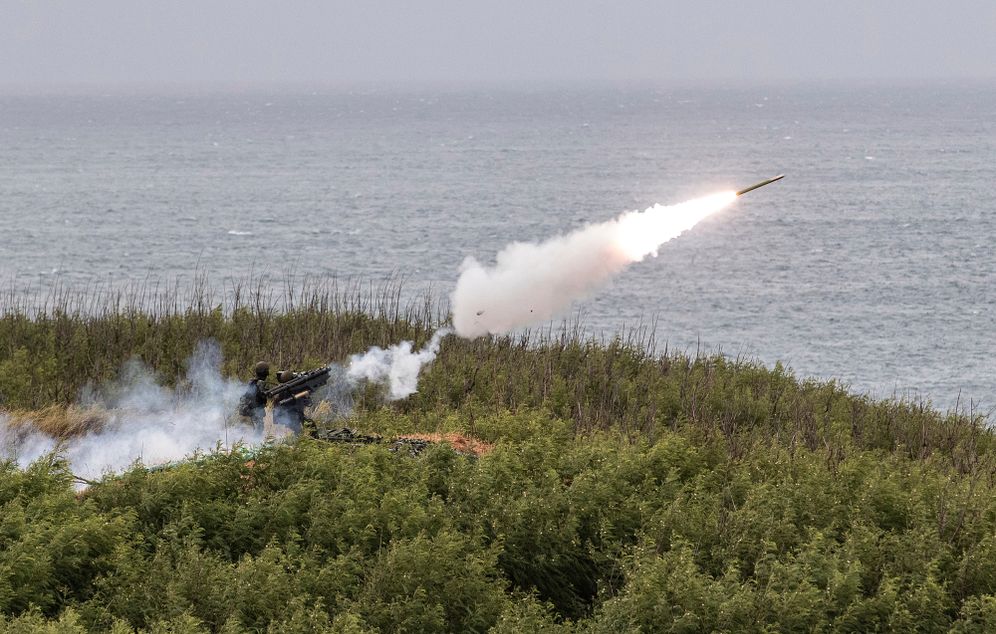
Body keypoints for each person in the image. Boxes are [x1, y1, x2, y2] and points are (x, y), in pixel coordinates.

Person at [238, 361, 271, 430]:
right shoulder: (260, 383)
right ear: (265, 373)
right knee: (259, 429)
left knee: (244, 432)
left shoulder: (251, 381)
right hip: (252, 411)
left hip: (244, 411)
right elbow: (262, 396)